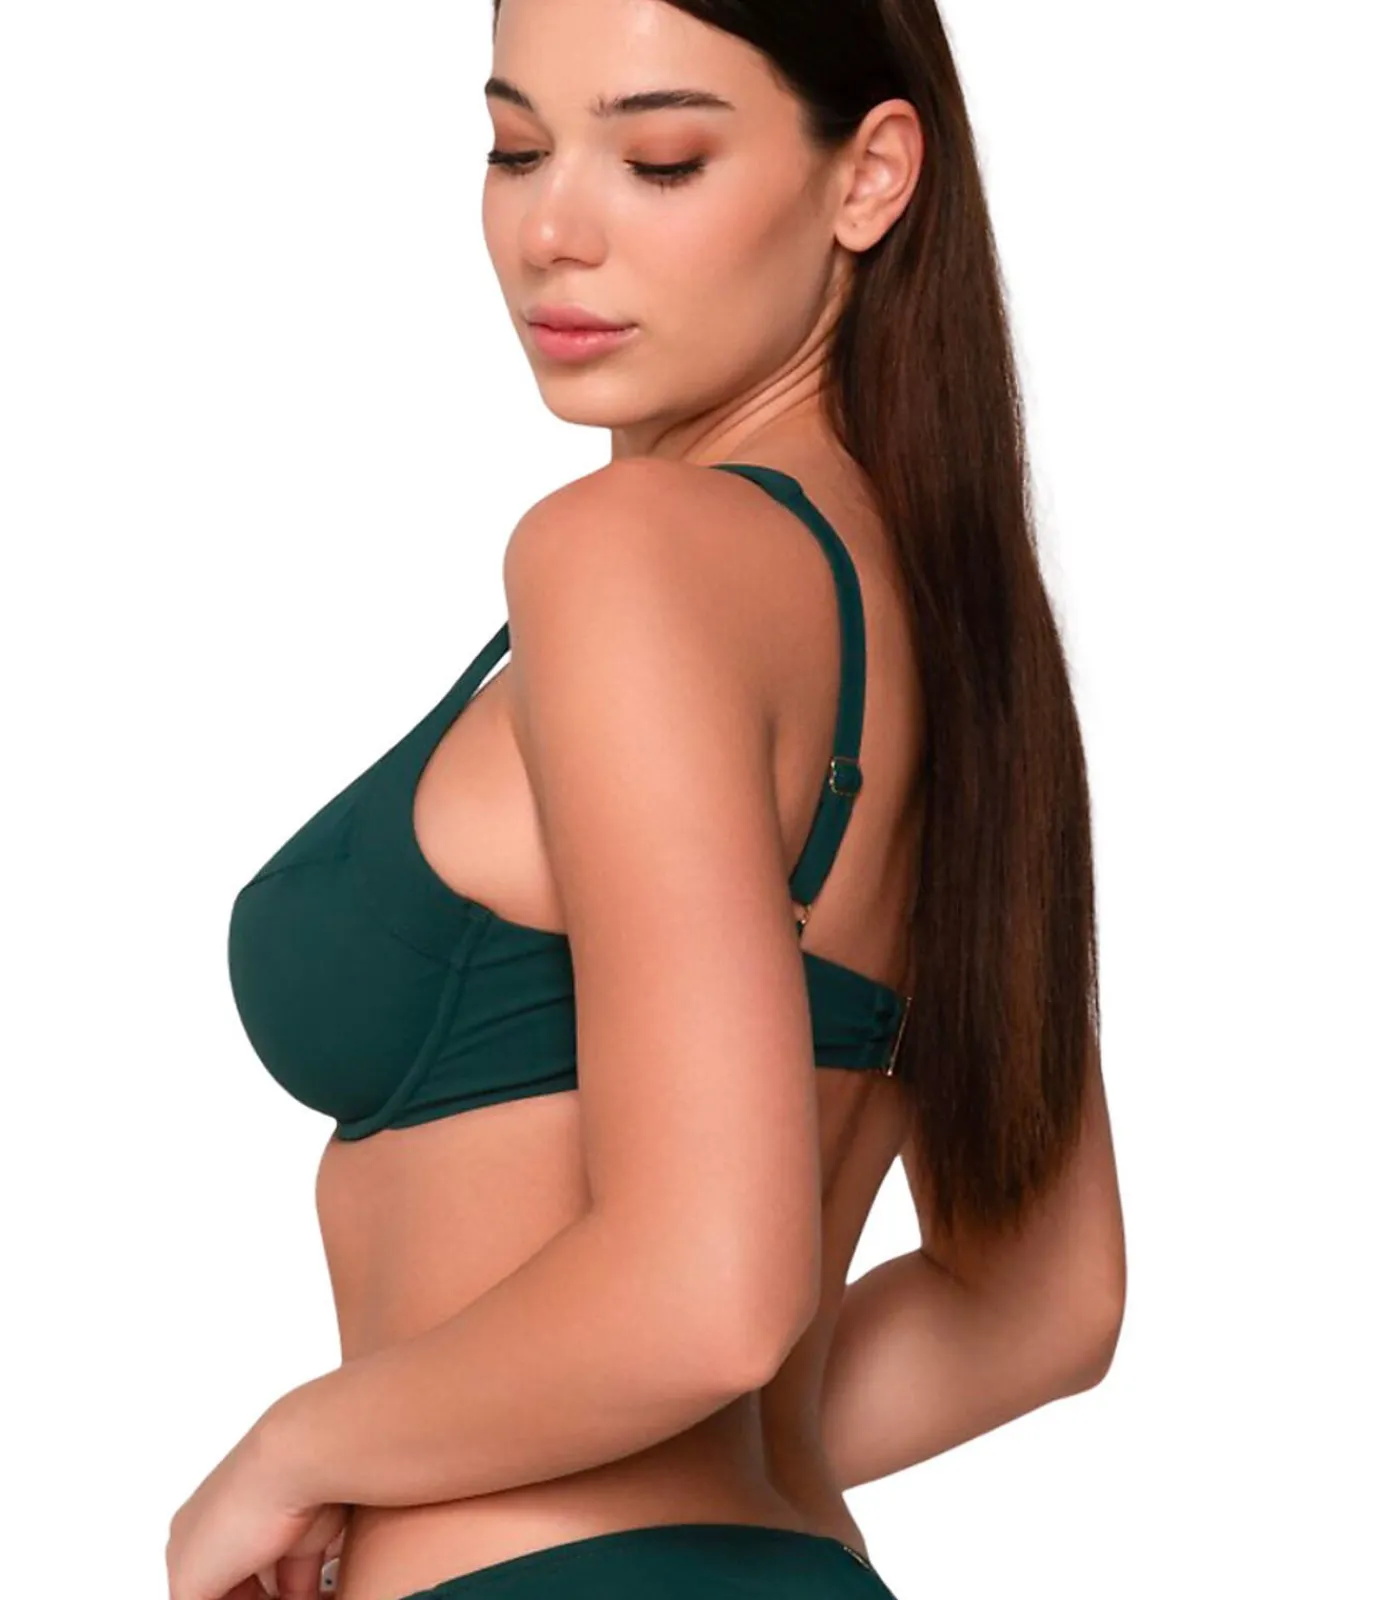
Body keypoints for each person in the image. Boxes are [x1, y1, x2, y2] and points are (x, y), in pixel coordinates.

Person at [167, 2, 1127, 1597]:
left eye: (661, 159)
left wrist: (300, 1450)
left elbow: (709, 1291)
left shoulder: (627, 554)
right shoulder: (957, 619)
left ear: (870, 177)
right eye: (515, 148)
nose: (552, 229)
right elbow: (1039, 1306)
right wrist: (718, 1461)